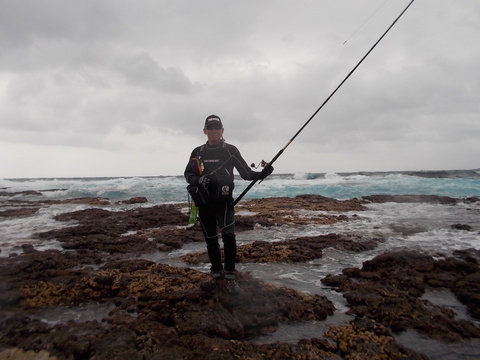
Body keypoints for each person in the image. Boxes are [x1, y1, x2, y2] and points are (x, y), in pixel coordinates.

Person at [184, 114, 273, 294]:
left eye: (217, 128)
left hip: (224, 203)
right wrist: (199, 181)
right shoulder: (197, 151)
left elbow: (247, 174)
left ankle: (230, 277)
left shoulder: (230, 150)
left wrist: (263, 173)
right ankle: (217, 274)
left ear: (222, 130)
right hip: (204, 203)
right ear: (205, 131)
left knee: (229, 236)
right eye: (211, 128)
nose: (214, 131)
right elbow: (188, 174)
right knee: (211, 241)